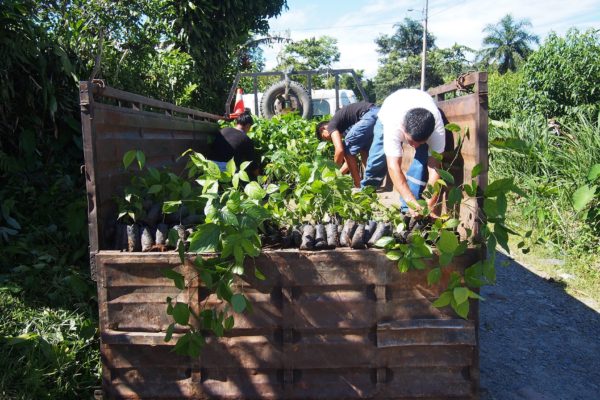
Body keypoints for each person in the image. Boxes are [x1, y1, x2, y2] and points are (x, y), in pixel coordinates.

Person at [366, 89, 446, 217]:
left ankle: (408, 209)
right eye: (412, 141)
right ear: (403, 128)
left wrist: (430, 204)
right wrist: (411, 201)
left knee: (422, 162)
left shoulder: (437, 131)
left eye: (421, 142)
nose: (414, 146)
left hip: (423, 103)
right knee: (376, 159)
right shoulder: (394, 124)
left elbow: (435, 169)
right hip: (390, 107)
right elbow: (393, 167)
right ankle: (365, 193)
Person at [315, 101, 380, 188]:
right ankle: (370, 186)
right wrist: (338, 175)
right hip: (378, 114)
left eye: (325, 137)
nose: (329, 139)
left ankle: (359, 186)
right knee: (364, 151)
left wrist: (332, 172)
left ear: (323, 129)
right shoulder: (346, 128)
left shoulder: (331, 125)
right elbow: (350, 161)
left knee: (346, 149)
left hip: (369, 115)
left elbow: (340, 150)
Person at [210, 110, 260, 176]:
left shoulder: (223, 130)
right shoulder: (246, 139)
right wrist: (258, 176)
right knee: (241, 173)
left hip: (210, 165)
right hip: (225, 169)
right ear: (248, 125)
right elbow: (252, 162)